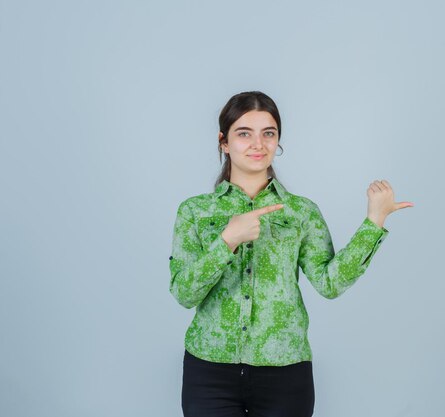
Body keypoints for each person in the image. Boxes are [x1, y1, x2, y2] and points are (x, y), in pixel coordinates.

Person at [168, 91, 413, 417]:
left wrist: (374, 221)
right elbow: (184, 293)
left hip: (285, 372)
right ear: (223, 142)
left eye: (268, 133)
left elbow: (330, 283)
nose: (258, 144)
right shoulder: (195, 211)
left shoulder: (301, 212)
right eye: (244, 133)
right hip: (209, 371)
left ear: (278, 140)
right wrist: (227, 240)